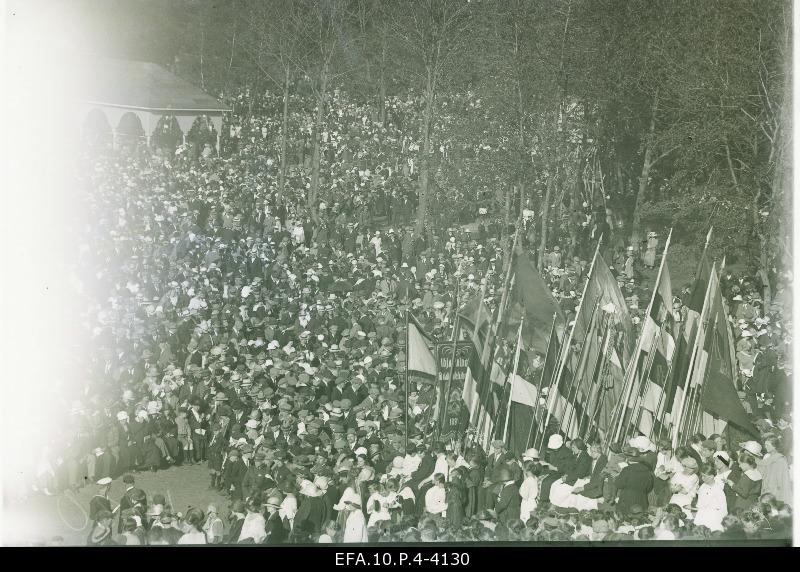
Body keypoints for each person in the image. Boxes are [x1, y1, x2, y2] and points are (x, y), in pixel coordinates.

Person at [614, 446, 654, 515]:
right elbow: (649, 487)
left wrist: (618, 476)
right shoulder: (648, 471)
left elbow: (619, 484)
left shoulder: (626, 470)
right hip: (642, 500)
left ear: (628, 459)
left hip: (626, 500)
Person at [692, 463, 727, 532]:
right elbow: (700, 504)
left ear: (711, 476)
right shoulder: (703, 486)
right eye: (702, 476)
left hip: (714, 518)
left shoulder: (718, 490)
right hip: (702, 516)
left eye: (704, 476)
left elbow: (723, 509)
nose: (702, 478)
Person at [758, 436, 792, 505]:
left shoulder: (780, 460)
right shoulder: (769, 458)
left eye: (768, 445)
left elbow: (782, 480)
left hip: (775, 491)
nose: (765, 447)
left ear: (774, 446)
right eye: (765, 445)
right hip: (767, 489)